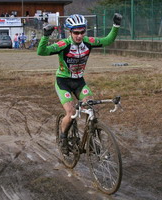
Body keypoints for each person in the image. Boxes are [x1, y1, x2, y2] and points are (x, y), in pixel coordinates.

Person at [37, 13, 122, 155]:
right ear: (70, 32)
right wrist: (45, 36)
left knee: (90, 107)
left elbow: (108, 40)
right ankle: (63, 139)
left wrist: (116, 25)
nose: (79, 36)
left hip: (79, 82)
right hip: (63, 82)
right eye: (76, 33)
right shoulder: (63, 44)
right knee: (71, 113)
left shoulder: (88, 42)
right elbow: (42, 51)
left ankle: (92, 140)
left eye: (82, 32)